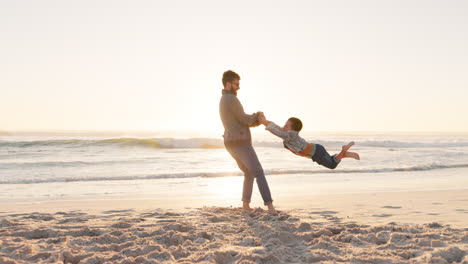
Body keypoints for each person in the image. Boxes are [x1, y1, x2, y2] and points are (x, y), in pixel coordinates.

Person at [219, 70, 278, 215]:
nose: (238, 87)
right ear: (228, 84)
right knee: (258, 172)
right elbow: (244, 119)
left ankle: (245, 205)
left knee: (248, 173)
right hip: (240, 142)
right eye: (236, 84)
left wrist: (256, 121)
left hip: (230, 142)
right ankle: (270, 208)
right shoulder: (231, 99)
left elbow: (241, 120)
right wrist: (258, 116)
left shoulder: (223, 99)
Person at [258, 114, 360, 169]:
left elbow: (278, 132)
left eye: (286, 126)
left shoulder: (291, 135)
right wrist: (265, 121)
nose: (284, 127)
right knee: (331, 161)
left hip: (316, 153)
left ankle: (343, 151)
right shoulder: (289, 134)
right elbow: (277, 128)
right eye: (285, 124)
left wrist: (264, 122)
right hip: (316, 150)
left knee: (332, 165)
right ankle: (343, 154)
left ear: (292, 130)